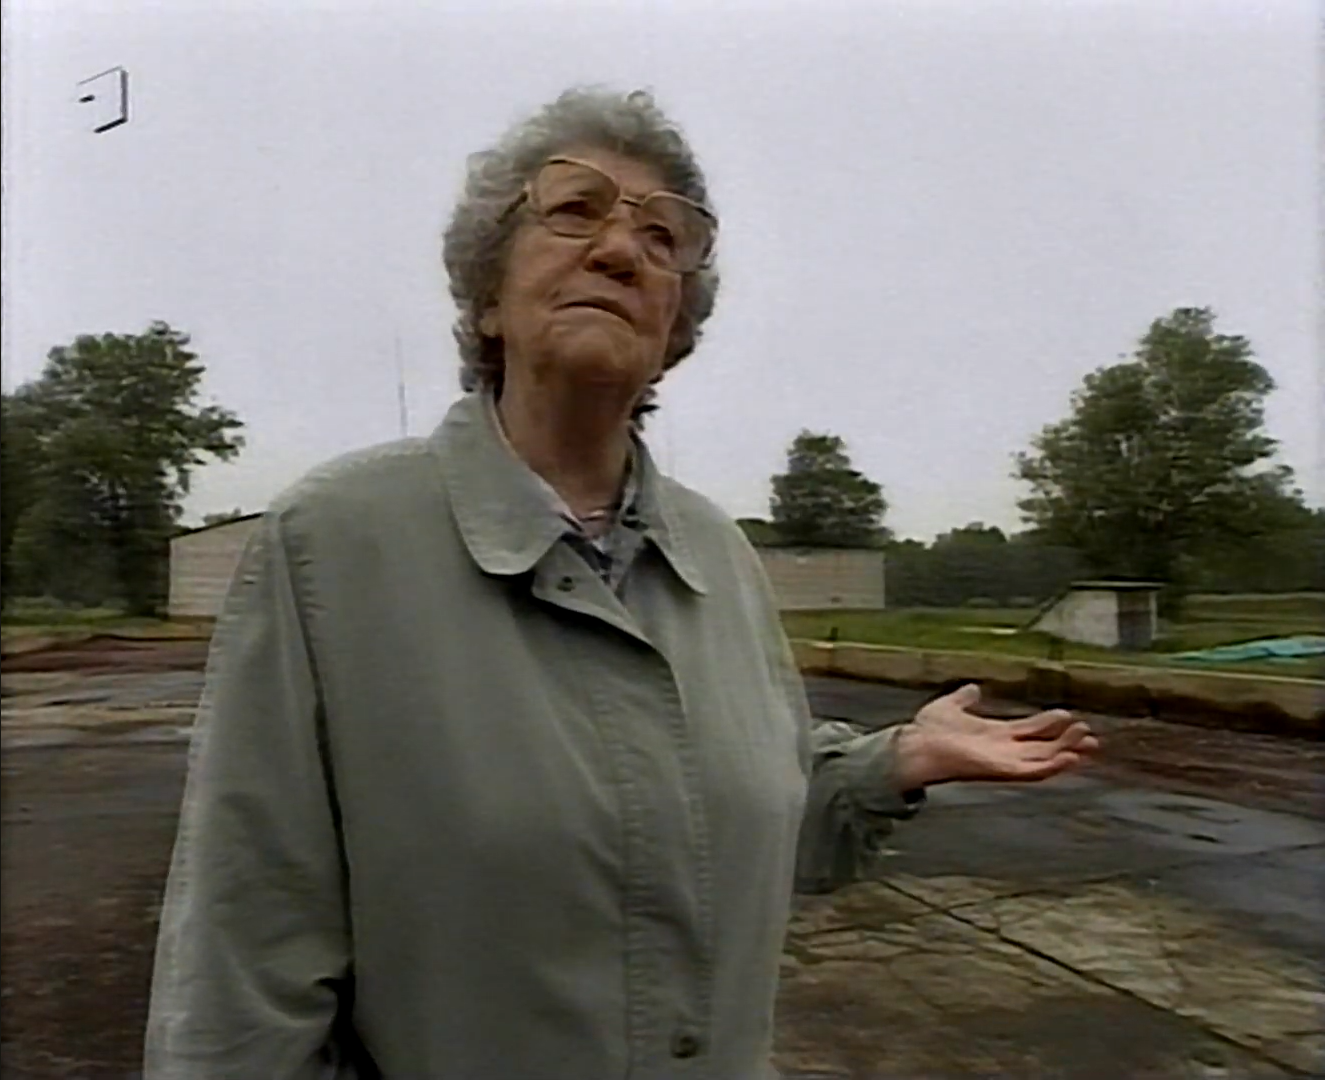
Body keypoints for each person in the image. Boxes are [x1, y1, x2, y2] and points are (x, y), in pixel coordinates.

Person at [144, 87, 1098, 1079]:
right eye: (574, 210)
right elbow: (240, 965)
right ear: (486, 295)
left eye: (661, 237)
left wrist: (890, 763)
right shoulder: (332, 545)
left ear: (674, 326)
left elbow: (742, 821)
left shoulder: (717, 554)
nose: (619, 251)